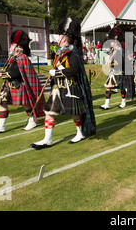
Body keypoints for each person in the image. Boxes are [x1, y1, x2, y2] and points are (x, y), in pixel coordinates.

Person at [30, 17, 96, 149]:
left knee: (75, 113)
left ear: (64, 38)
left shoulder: (73, 52)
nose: (58, 38)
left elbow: (74, 69)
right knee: (49, 112)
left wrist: (58, 73)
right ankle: (47, 139)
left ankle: (80, 133)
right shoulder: (61, 52)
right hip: (57, 88)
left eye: (60, 36)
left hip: (69, 87)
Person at [0, 30, 45, 134]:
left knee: (26, 104)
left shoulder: (22, 58)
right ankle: (1, 126)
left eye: (11, 46)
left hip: (18, 85)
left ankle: (32, 121)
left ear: (17, 48)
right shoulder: (13, 58)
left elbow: (16, 73)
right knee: (2, 103)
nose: (9, 48)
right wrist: (4, 72)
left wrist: (3, 75)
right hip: (9, 86)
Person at [100, 27, 135, 110]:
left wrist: (112, 63)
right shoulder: (113, 51)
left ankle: (123, 102)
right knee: (108, 87)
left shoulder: (121, 51)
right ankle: (106, 104)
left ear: (115, 42)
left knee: (122, 88)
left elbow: (121, 62)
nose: (110, 43)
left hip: (119, 72)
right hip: (112, 72)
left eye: (112, 41)